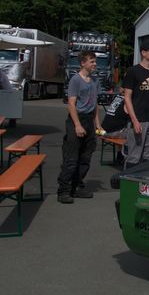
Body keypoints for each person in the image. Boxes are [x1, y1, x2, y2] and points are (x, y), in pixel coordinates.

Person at [57, 51, 101, 204]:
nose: (95, 64)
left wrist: (98, 125)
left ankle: (77, 187)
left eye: (95, 61)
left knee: (85, 157)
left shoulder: (95, 81)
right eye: (92, 62)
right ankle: (64, 190)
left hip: (89, 120)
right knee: (71, 158)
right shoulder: (76, 80)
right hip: (77, 119)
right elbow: (71, 104)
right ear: (83, 63)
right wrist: (77, 125)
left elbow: (94, 105)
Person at [122, 40, 149, 169]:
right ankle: (129, 185)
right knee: (134, 157)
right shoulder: (133, 71)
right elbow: (127, 97)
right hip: (138, 119)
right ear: (143, 52)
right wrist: (134, 120)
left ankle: (146, 184)